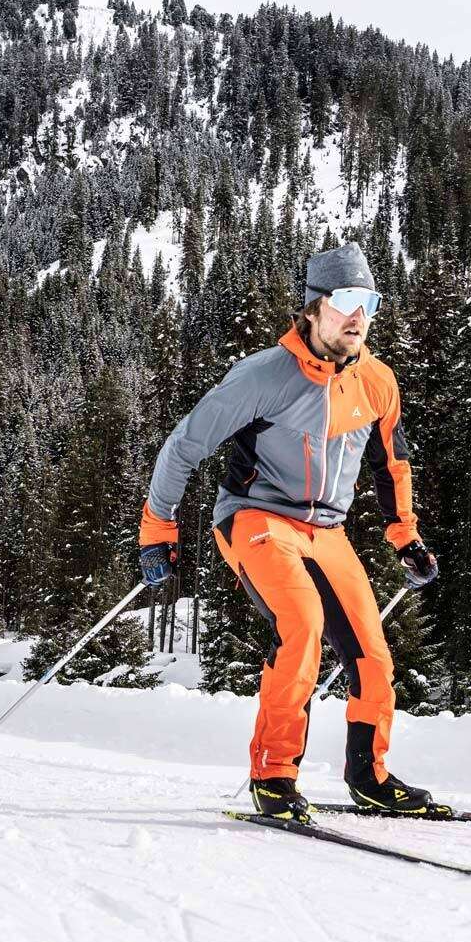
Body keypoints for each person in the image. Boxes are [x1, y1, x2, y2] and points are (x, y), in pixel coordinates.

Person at [138, 243, 442, 824]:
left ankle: (369, 777)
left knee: (373, 657)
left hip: (327, 529)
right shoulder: (263, 376)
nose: (359, 316)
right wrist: (158, 526)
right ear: (313, 308)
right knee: (301, 626)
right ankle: (274, 776)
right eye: (347, 301)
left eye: (369, 302)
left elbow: (392, 464)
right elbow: (185, 445)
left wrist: (406, 535)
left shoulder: (377, 382)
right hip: (257, 518)